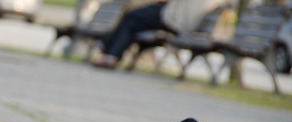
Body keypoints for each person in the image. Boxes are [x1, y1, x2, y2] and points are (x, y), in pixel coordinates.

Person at [92, 0, 231, 69]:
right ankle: (110, 51)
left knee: (133, 16)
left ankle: (107, 47)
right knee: (133, 22)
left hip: (172, 18)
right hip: (182, 20)